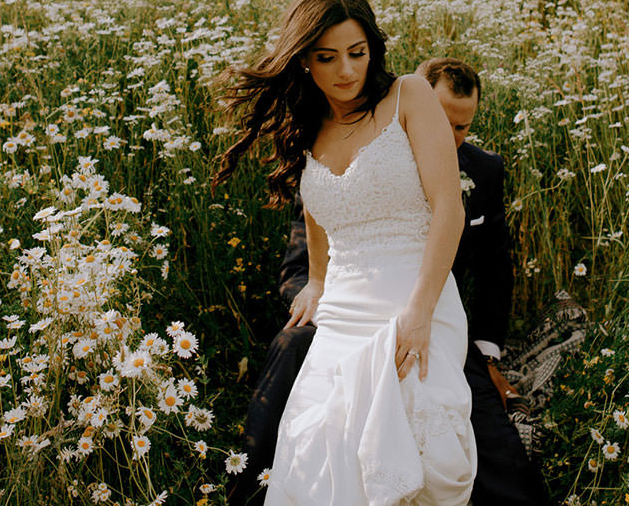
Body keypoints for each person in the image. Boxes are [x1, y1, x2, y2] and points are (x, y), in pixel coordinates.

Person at [231, 58, 545, 506]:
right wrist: (318, 292)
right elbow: (305, 258)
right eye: (441, 119)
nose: (450, 136)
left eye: (462, 127)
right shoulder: (351, 145)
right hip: (340, 310)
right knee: (292, 367)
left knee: (493, 453)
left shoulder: (485, 169)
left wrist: (489, 349)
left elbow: (496, 268)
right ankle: (248, 487)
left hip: (433, 318)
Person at [216, 0, 476, 505]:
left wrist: (421, 311)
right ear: (305, 61)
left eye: (357, 53)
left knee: (419, 456)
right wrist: (316, 279)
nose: (346, 71)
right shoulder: (307, 124)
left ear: (373, 48)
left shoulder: (408, 95)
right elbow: (321, 206)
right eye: (327, 57)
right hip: (341, 311)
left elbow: (450, 208)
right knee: (318, 448)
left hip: (415, 297)